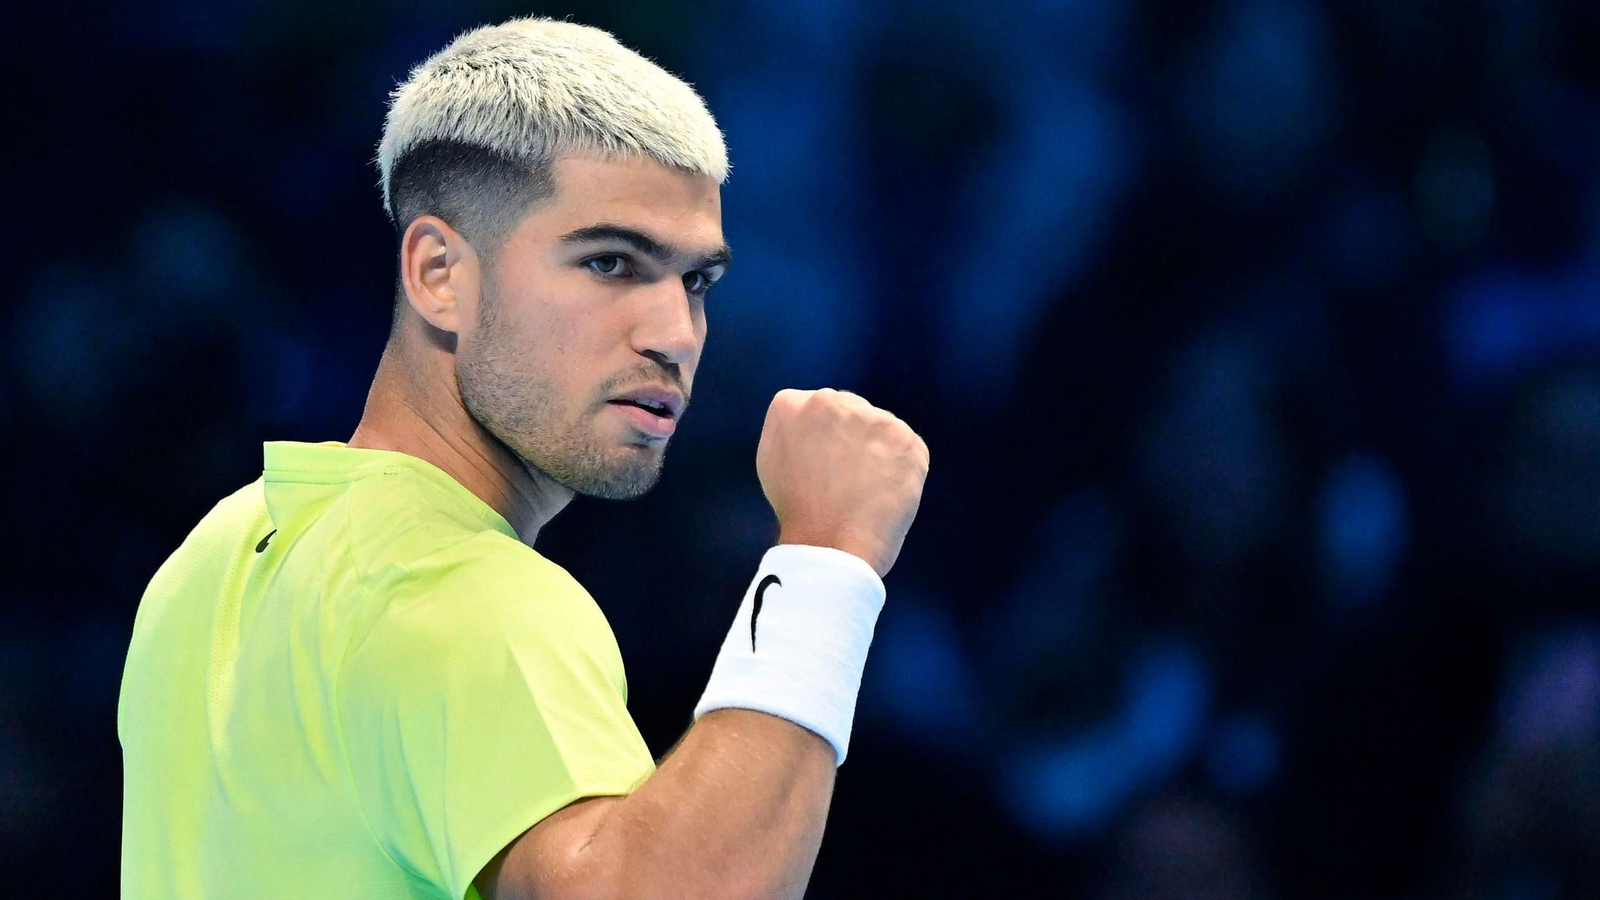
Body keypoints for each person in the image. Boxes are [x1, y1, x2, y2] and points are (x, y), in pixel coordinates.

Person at [116, 16, 929, 900]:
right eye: (611, 262)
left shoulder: (213, 558)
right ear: (438, 274)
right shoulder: (464, 589)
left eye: (695, 282)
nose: (675, 335)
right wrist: (826, 560)